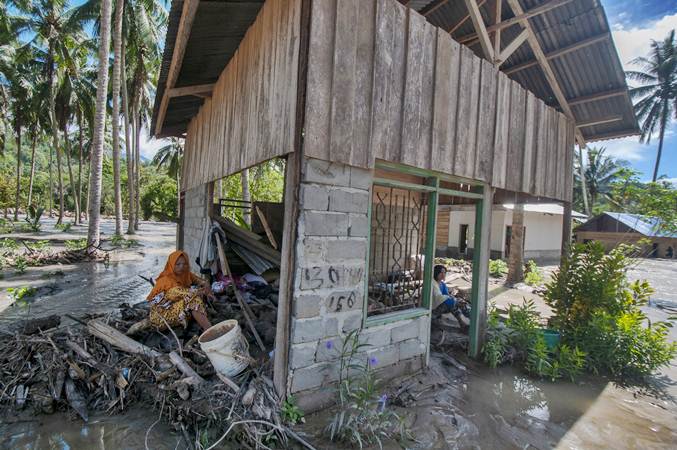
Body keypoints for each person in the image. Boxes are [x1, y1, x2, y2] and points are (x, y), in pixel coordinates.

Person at [146, 250, 213, 331]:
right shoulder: (167, 280)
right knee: (194, 301)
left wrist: (205, 284)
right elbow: (187, 293)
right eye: (178, 264)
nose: (182, 267)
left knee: (197, 299)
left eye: (184, 264)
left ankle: (197, 321)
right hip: (161, 317)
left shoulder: (185, 274)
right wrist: (203, 291)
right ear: (171, 265)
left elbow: (199, 281)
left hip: (174, 307)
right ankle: (209, 329)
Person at [431, 264, 469, 331]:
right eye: (441, 272)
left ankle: (465, 320)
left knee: (457, 303)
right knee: (452, 303)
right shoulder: (432, 283)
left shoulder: (442, 284)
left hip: (441, 306)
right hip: (432, 308)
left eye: (444, 272)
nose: (443, 274)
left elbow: (446, 295)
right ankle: (463, 322)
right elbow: (438, 297)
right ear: (436, 273)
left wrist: (456, 300)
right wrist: (455, 301)